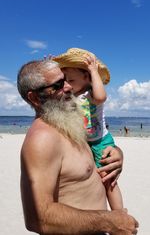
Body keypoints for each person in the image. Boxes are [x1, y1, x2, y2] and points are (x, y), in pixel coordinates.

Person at [17, 59, 138, 235]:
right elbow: (37, 218)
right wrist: (109, 221)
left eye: (65, 79)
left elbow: (92, 151)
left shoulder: (68, 122)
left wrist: (116, 154)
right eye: (57, 85)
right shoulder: (42, 138)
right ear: (34, 98)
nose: (68, 87)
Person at [53, 48, 123, 210]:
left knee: (108, 179)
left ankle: (119, 212)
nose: (67, 84)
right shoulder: (70, 95)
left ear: (87, 78)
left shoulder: (89, 93)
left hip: (100, 142)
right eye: (64, 80)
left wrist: (93, 71)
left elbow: (101, 98)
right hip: (84, 143)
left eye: (71, 80)